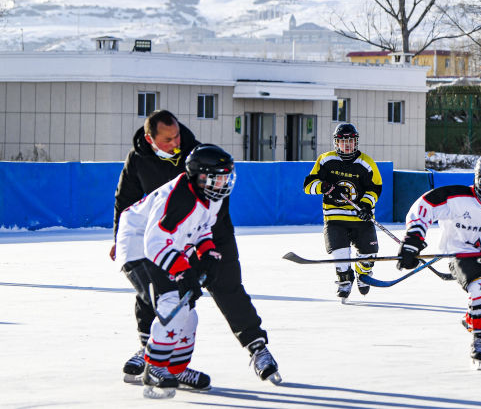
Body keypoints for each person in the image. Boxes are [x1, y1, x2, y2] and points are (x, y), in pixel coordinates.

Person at [112, 110, 280, 386]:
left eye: (177, 135)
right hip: (161, 235)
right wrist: (118, 237)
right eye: (167, 139)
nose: (175, 143)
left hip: (209, 233)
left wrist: (207, 251)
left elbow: (214, 202)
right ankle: (152, 353)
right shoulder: (138, 159)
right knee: (154, 293)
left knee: (227, 286)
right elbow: (126, 199)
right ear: (150, 138)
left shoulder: (198, 156)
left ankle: (257, 347)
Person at [114, 144, 234, 398]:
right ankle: (155, 367)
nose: (223, 182)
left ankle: (176, 369)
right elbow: (154, 242)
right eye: (218, 176)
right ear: (199, 176)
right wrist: (184, 272)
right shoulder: (179, 198)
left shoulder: (211, 196)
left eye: (226, 176)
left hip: (167, 243)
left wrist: (208, 253)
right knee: (172, 303)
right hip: (137, 246)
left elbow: (202, 228)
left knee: (188, 314)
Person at [397, 155, 481, 368]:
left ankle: (473, 321)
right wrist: (414, 239)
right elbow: (423, 207)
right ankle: (479, 339)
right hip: (460, 255)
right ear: (478, 181)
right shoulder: (456, 197)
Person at [302, 122, 383, 301]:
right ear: (336, 143)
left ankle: (363, 274)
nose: (347, 145)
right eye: (342, 141)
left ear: (356, 142)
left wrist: (366, 205)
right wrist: (325, 186)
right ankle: (344, 280)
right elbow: (308, 186)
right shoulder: (325, 160)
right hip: (335, 216)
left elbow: (375, 188)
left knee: (368, 255)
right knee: (339, 252)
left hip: (361, 218)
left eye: (351, 141)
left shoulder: (366, 163)